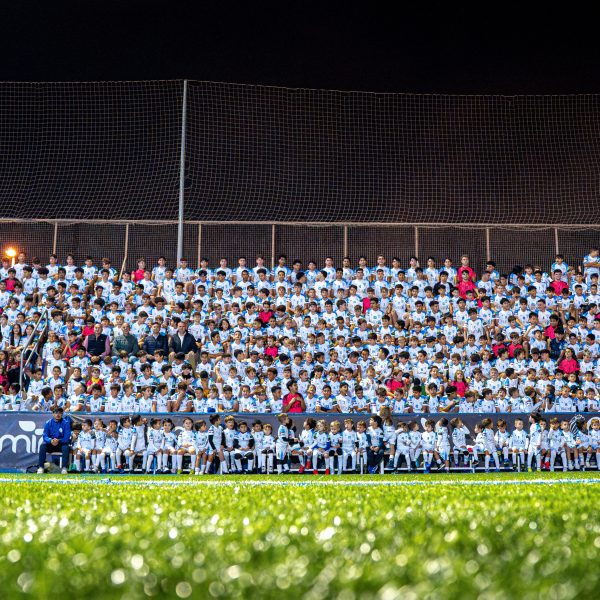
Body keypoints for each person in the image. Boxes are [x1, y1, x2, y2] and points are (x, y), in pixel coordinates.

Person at [37, 406, 71, 474]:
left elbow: (67, 437)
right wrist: (50, 440)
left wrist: (59, 440)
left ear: (62, 414)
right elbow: (45, 436)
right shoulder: (48, 423)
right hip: (51, 444)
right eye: (56, 413)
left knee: (66, 447)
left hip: (61, 444)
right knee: (42, 446)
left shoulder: (66, 423)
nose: (58, 415)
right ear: (53, 414)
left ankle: (64, 468)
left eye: (60, 413)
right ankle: (41, 467)